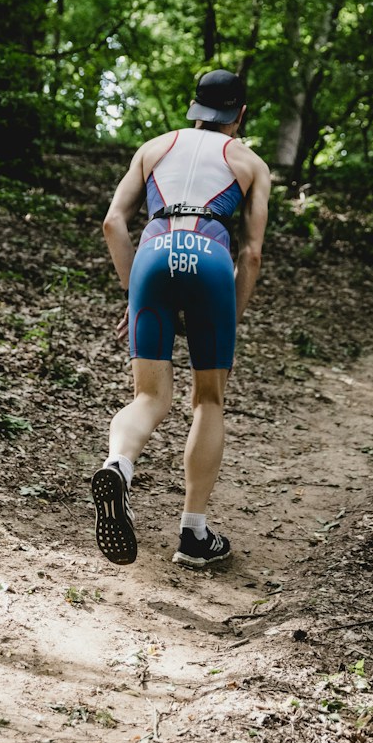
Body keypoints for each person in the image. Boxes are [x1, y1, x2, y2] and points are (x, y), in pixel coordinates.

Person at [91, 69, 272, 568]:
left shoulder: (153, 148)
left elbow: (112, 224)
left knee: (148, 395)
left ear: (194, 108)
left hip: (153, 252)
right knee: (208, 399)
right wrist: (229, 315)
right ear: (240, 113)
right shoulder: (250, 162)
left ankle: (119, 465)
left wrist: (134, 294)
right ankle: (193, 534)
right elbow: (252, 255)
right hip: (211, 259)